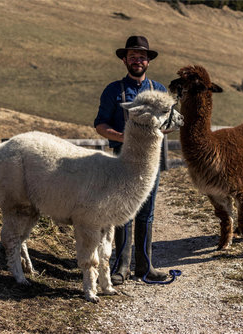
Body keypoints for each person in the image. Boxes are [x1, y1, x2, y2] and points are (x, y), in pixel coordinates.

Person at [94, 35, 169, 285]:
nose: (138, 60)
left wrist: (154, 132)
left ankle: (145, 267)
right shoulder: (113, 90)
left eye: (142, 57)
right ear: (125, 60)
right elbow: (100, 125)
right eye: (133, 56)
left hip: (149, 162)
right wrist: (124, 137)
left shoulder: (158, 90)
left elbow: (168, 124)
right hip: (122, 160)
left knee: (146, 213)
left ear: (148, 61)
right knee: (123, 212)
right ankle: (121, 267)